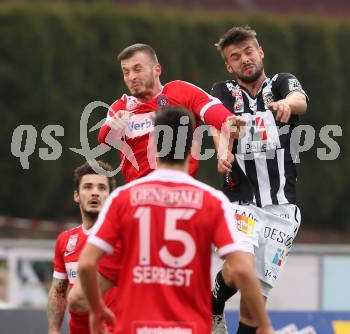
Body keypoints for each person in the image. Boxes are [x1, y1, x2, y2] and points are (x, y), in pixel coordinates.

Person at [78, 107, 275, 334]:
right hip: (189, 327)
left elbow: (86, 264)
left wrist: (97, 309)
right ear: (193, 148)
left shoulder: (123, 198)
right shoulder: (211, 202)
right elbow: (242, 270)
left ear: (152, 147)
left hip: (134, 326)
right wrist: (265, 325)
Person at [209, 26, 308, 334]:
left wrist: (286, 105)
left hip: (281, 208)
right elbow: (218, 124)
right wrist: (223, 151)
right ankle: (213, 305)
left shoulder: (280, 83)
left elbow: (300, 99)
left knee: (254, 308)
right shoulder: (223, 91)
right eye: (235, 57)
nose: (245, 60)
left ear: (260, 52)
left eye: (248, 52)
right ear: (229, 65)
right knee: (241, 270)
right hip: (242, 200)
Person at [98, 43, 245, 182]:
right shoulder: (121, 106)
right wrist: (113, 124)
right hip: (141, 197)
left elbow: (218, 116)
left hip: (181, 191)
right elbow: (104, 139)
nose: (131, 77)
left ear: (157, 69)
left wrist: (230, 125)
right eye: (126, 72)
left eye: (137, 69)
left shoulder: (182, 92)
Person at [47, 161, 119, 334]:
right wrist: (53, 330)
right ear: (76, 195)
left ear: (110, 196)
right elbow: (58, 292)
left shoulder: (121, 238)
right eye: (88, 187)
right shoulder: (65, 240)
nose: (95, 192)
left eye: (102, 188)